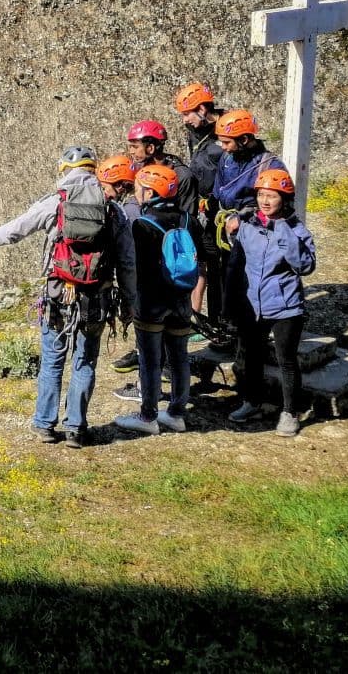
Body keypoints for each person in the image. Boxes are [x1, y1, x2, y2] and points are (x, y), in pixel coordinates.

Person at [0, 147, 127, 448]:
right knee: (84, 362)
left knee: (52, 360)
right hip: (96, 298)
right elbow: (128, 261)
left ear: (66, 171)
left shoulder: (56, 203)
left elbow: (18, 228)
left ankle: (45, 424)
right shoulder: (113, 210)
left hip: (60, 293)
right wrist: (131, 302)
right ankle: (76, 428)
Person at [224, 167, 316, 437]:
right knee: (251, 356)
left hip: (286, 306)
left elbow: (305, 266)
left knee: (286, 360)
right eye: (262, 195)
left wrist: (283, 230)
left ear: (284, 199)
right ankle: (252, 402)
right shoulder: (250, 224)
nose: (265, 201)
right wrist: (232, 227)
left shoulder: (297, 229)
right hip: (253, 304)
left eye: (272, 196)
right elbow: (237, 253)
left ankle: (290, 412)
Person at [113, 163, 199, 436]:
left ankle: (148, 416)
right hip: (182, 298)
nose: (135, 192)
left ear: (150, 193)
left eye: (139, 187)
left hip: (151, 301)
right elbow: (206, 254)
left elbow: (131, 265)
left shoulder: (141, 225)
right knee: (179, 358)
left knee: (150, 360)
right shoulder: (189, 220)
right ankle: (176, 413)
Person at [110, 121, 188, 374]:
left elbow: (185, 221)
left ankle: (160, 364)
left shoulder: (180, 175)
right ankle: (145, 352)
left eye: (135, 146)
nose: (131, 151)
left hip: (166, 258)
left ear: (151, 147)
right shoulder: (137, 172)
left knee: (162, 313)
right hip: (140, 253)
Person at [175, 82, 229, 333]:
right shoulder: (196, 132)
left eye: (188, 113)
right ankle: (204, 318)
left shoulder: (227, 134)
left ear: (204, 108)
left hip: (223, 211)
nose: (185, 120)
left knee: (221, 269)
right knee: (205, 264)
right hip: (204, 210)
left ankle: (221, 321)